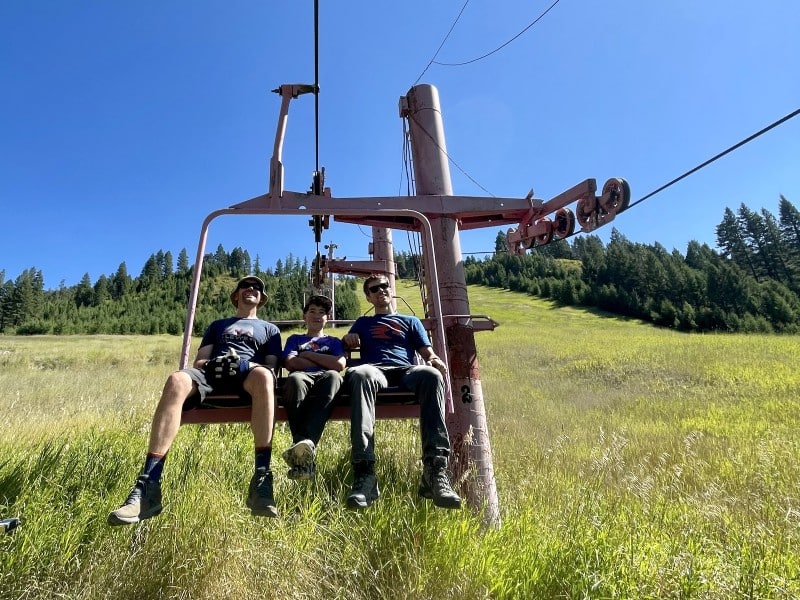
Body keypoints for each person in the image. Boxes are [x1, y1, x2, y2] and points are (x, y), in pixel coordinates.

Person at [108, 275, 282, 525]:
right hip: (213, 373)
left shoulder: (269, 330)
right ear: (236, 295)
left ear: (261, 298)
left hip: (247, 375)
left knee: (265, 377)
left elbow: (272, 367)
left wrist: (243, 364)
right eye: (245, 286)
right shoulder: (218, 325)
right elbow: (200, 361)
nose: (251, 289)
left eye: (257, 288)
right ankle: (147, 486)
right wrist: (215, 364)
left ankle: (262, 480)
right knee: (176, 380)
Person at [341, 274, 461, 510]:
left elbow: (426, 352)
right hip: (376, 371)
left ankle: (435, 470)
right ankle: (365, 472)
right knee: (360, 374)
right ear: (368, 297)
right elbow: (346, 343)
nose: (380, 291)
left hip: (406, 370)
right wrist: (348, 338)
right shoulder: (363, 323)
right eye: (374, 289)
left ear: (390, 289)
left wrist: (435, 360)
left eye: (384, 286)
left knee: (432, 376)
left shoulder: (410, 321)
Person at [281, 295, 346, 480]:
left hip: (326, 380)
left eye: (322, 312)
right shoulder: (295, 339)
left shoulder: (334, 342)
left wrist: (308, 355)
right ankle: (305, 451)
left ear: (327, 318)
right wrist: (326, 361)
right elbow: (291, 363)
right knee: (294, 380)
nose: (317, 315)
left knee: (333, 377)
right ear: (304, 316)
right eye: (312, 311)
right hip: (303, 377)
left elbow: (339, 365)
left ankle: (301, 449)